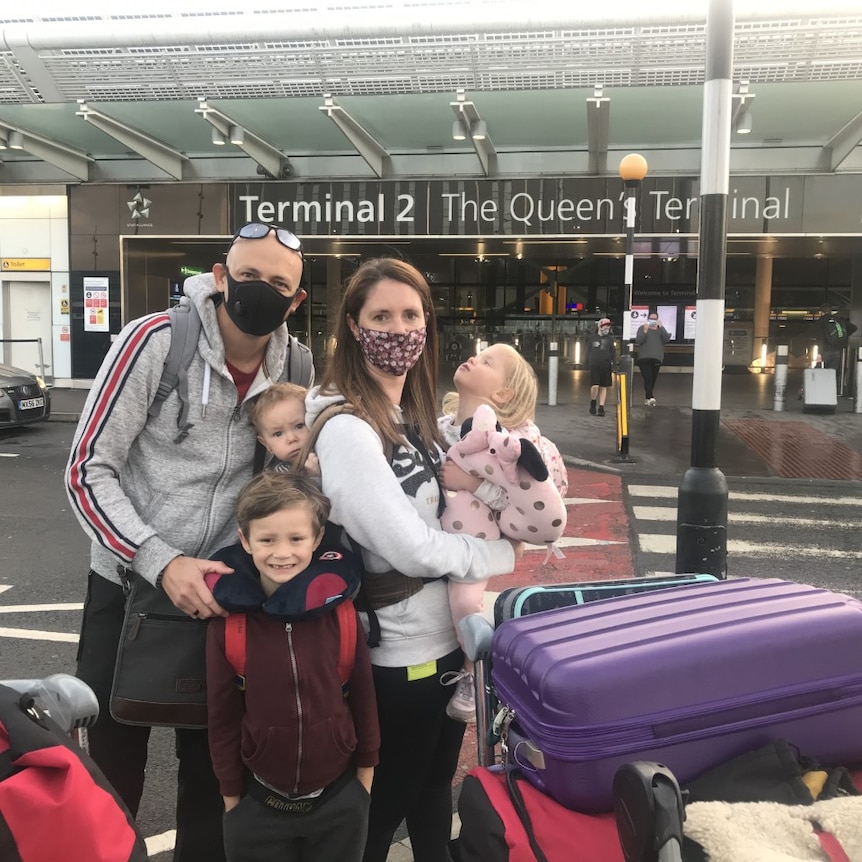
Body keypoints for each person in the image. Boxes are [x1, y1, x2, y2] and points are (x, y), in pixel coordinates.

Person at [64, 222, 309, 862]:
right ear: (220, 276)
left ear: (297, 299)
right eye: (249, 275)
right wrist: (158, 559)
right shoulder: (154, 344)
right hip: (128, 590)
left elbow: (287, 486)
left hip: (223, 596)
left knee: (215, 773)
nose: (263, 292)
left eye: (279, 284)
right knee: (113, 773)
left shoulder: (298, 366)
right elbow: (88, 467)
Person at [304, 258, 523, 862]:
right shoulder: (349, 428)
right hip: (399, 657)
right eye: (380, 316)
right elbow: (407, 545)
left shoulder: (415, 417)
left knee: (432, 791)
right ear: (352, 326)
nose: (398, 330)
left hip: (448, 645)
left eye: (410, 315)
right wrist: (498, 553)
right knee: (381, 810)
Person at [205, 471, 379, 862]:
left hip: (340, 799)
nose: (282, 553)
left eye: (296, 539)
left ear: (317, 540)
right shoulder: (229, 626)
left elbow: (364, 697)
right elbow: (222, 716)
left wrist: (364, 777)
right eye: (267, 539)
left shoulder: (342, 615)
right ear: (245, 540)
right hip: (258, 803)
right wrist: (233, 797)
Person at [437, 343, 568, 722]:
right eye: (479, 353)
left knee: (466, 603)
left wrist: (471, 484)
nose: (474, 356)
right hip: (440, 541)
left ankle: (475, 670)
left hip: (477, 544)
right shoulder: (440, 427)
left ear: (502, 395)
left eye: (487, 361)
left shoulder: (508, 443)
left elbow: (518, 502)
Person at [249, 381, 318, 475]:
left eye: (299, 426)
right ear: (266, 444)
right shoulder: (277, 478)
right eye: (278, 434)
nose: (291, 439)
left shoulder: (331, 450)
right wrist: (314, 476)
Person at [635, 311, 671, 406]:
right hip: (644, 358)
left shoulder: (660, 330)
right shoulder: (642, 328)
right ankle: (650, 397)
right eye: (651, 319)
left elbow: (667, 339)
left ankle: (648, 398)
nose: (653, 321)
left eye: (655, 319)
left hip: (656, 358)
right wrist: (645, 331)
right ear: (648, 319)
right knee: (648, 377)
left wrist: (662, 327)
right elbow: (639, 341)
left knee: (652, 379)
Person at [585, 317, 616, 416]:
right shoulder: (592, 338)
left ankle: (601, 407)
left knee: (603, 386)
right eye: (605, 326)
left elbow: (613, 352)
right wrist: (585, 362)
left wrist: (614, 364)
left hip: (606, 365)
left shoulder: (610, 339)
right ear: (600, 327)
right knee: (595, 386)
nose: (607, 328)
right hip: (594, 364)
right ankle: (593, 401)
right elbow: (587, 351)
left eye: (608, 326)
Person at [817, 304, 857, 377]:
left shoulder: (821, 321)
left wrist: (819, 353)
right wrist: (844, 335)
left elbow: (820, 337)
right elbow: (854, 327)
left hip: (825, 351)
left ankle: (822, 387)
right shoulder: (838, 320)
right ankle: (831, 387)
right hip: (837, 350)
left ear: (821, 312)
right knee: (832, 373)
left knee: (821, 372)